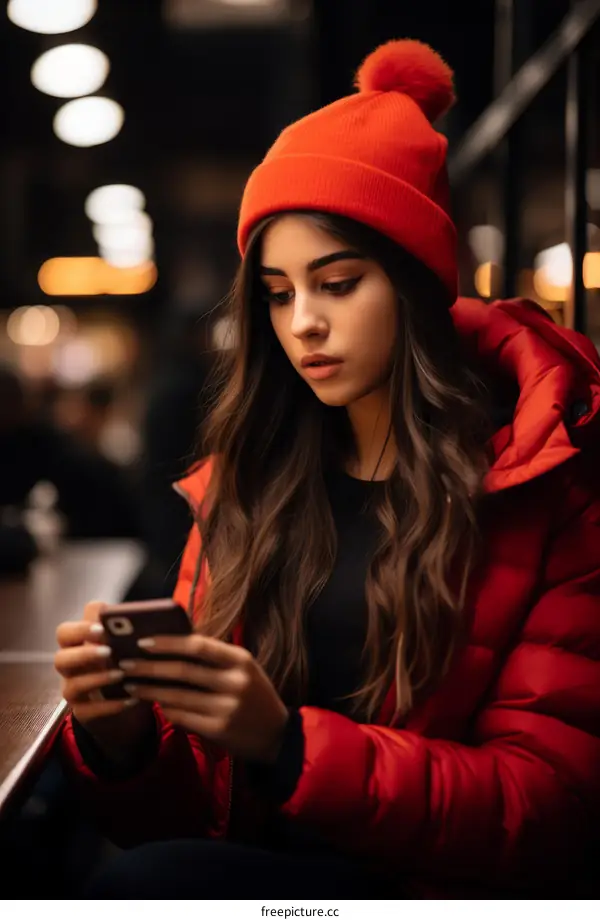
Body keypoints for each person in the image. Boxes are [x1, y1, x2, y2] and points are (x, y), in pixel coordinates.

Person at [54, 40, 600, 898]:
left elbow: (547, 809)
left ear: (414, 286)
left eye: (337, 283)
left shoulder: (543, 486)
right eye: (277, 292)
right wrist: (120, 741)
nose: (303, 322)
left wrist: (289, 745)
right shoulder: (251, 482)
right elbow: (187, 814)